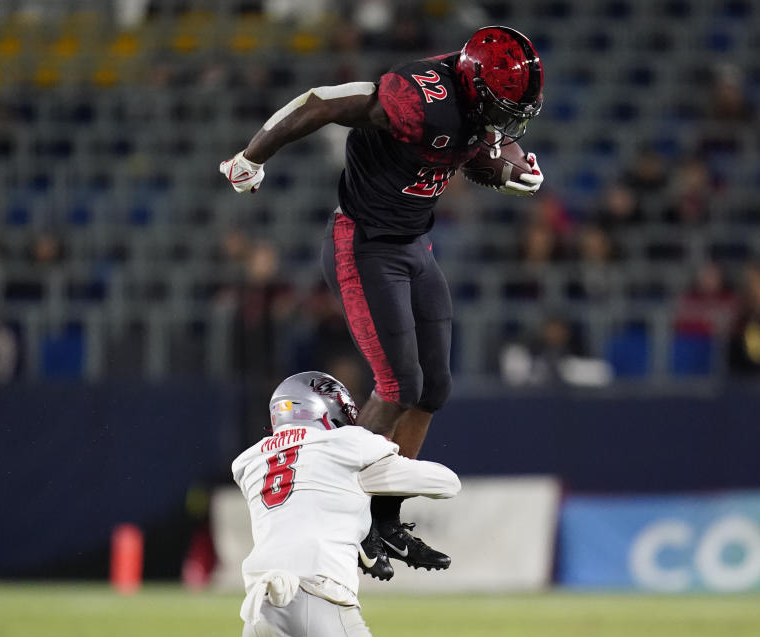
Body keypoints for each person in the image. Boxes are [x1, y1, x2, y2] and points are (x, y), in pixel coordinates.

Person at [220, 25, 544, 579]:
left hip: (414, 246)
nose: (507, 123)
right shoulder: (416, 99)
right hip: (364, 246)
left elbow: (488, 142)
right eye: (500, 108)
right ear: (471, 86)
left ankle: (383, 518)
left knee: (432, 388)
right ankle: (345, 518)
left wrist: (512, 165)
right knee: (398, 386)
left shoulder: (474, 98)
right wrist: (252, 156)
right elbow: (321, 102)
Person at [232, 371, 460, 637]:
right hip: (316, 600)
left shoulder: (249, 461)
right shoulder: (348, 443)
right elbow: (446, 483)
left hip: (259, 611)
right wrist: (380, 487)